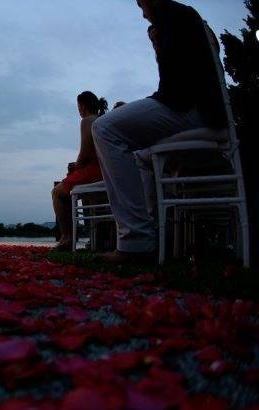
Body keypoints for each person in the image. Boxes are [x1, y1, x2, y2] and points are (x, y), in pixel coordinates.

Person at [91, 0, 224, 263]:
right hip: (203, 109)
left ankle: (136, 241)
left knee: (105, 128)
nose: (142, 15)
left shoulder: (170, 17)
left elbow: (174, 91)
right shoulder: (186, 17)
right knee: (141, 156)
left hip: (194, 111)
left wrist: (158, 47)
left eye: (142, 6)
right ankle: (153, 237)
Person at [51, 91, 108, 251]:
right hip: (107, 172)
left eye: (78, 106)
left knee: (57, 192)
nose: (78, 109)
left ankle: (67, 237)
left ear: (83, 105)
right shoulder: (103, 120)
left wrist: (75, 166)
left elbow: (85, 154)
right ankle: (94, 238)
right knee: (72, 182)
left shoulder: (87, 121)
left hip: (95, 172)